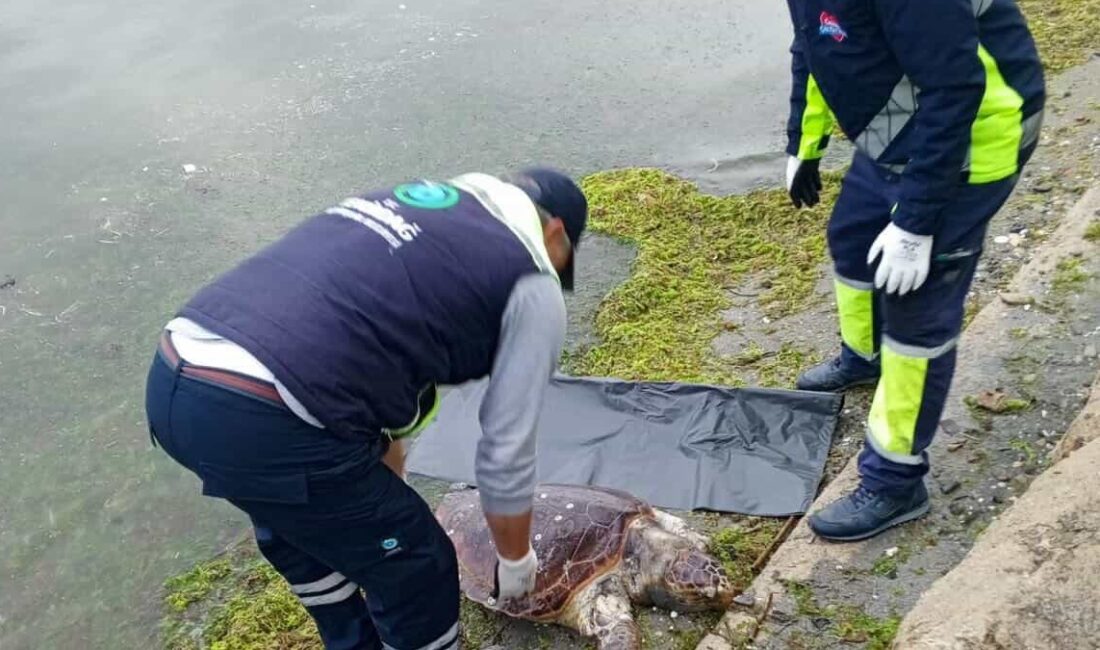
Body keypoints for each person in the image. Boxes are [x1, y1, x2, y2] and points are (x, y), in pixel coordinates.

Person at [145, 168, 587, 649]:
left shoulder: (422, 221)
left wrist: (380, 507)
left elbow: (385, 413)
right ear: (556, 233)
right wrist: (516, 561)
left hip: (178, 372)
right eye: (564, 260)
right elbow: (508, 452)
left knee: (312, 527)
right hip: (268, 410)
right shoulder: (531, 282)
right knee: (416, 563)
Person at [782, 0, 1045, 541]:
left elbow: (956, 90)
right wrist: (803, 144)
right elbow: (816, 43)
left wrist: (916, 222)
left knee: (917, 311)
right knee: (853, 241)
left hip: (978, 134)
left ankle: (895, 479)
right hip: (898, 135)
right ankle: (865, 357)